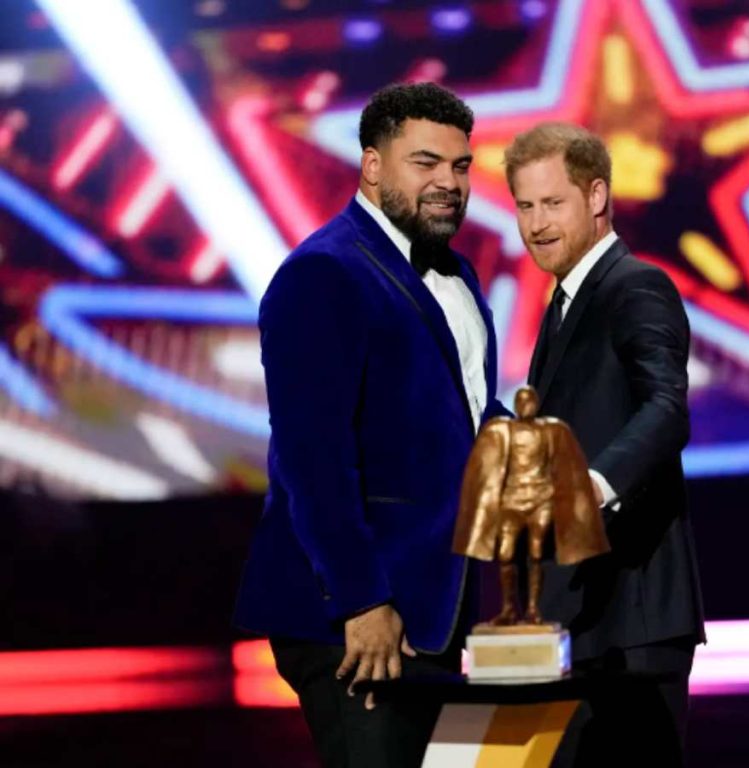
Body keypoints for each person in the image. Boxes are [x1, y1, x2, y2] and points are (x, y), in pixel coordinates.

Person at [234, 82, 505, 768]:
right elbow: (311, 457)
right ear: (373, 165)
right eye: (426, 163)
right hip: (359, 616)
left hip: (439, 608)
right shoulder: (324, 274)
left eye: (460, 166)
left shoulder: (459, 274)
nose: (448, 182)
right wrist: (361, 599)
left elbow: (468, 416)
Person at [504, 122, 705, 765]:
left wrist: (592, 487)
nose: (536, 224)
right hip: (576, 618)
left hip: (632, 623)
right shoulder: (564, 303)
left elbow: (666, 409)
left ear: (596, 197)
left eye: (552, 203)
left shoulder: (634, 286)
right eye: (524, 206)